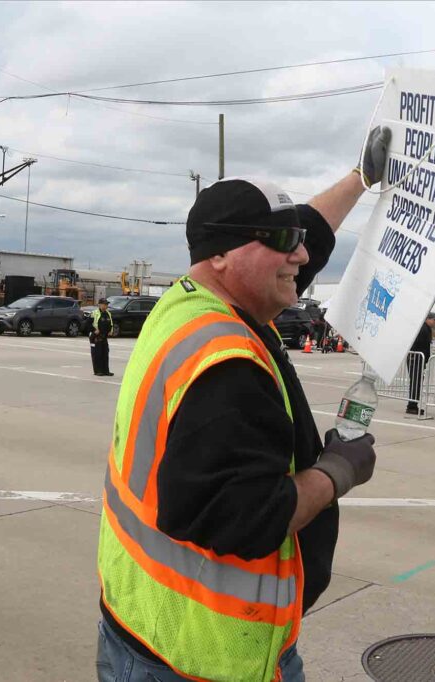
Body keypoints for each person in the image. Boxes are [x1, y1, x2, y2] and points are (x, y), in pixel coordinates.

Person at [96, 128, 389, 682]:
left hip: (136, 619)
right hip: (203, 656)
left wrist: (362, 179)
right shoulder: (227, 365)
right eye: (282, 239)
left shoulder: (185, 304)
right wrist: (337, 472)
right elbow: (244, 518)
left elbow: (310, 235)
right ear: (224, 255)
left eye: (297, 236)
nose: (301, 254)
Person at [406, 312, 435, 416]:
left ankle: (413, 405)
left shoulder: (426, 329)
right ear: (428, 319)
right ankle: (411, 406)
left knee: (417, 382)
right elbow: (415, 343)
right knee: (415, 382)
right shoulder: (422, 329)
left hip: (419, 359)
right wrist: (413, 356)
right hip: (416, 359)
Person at [89, 298, 114, 377]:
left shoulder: (108, 313)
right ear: (99, 305)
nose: (105, 306)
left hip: (104, 337)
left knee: (105, 354)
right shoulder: (94, 313)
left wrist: (111, 331)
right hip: (95, 337)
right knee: (97, 354)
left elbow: (111, 324)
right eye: (104, 304)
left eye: (106, 304)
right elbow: (87, 324)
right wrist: (94, 330)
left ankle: (106, 371)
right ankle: (98, 371)